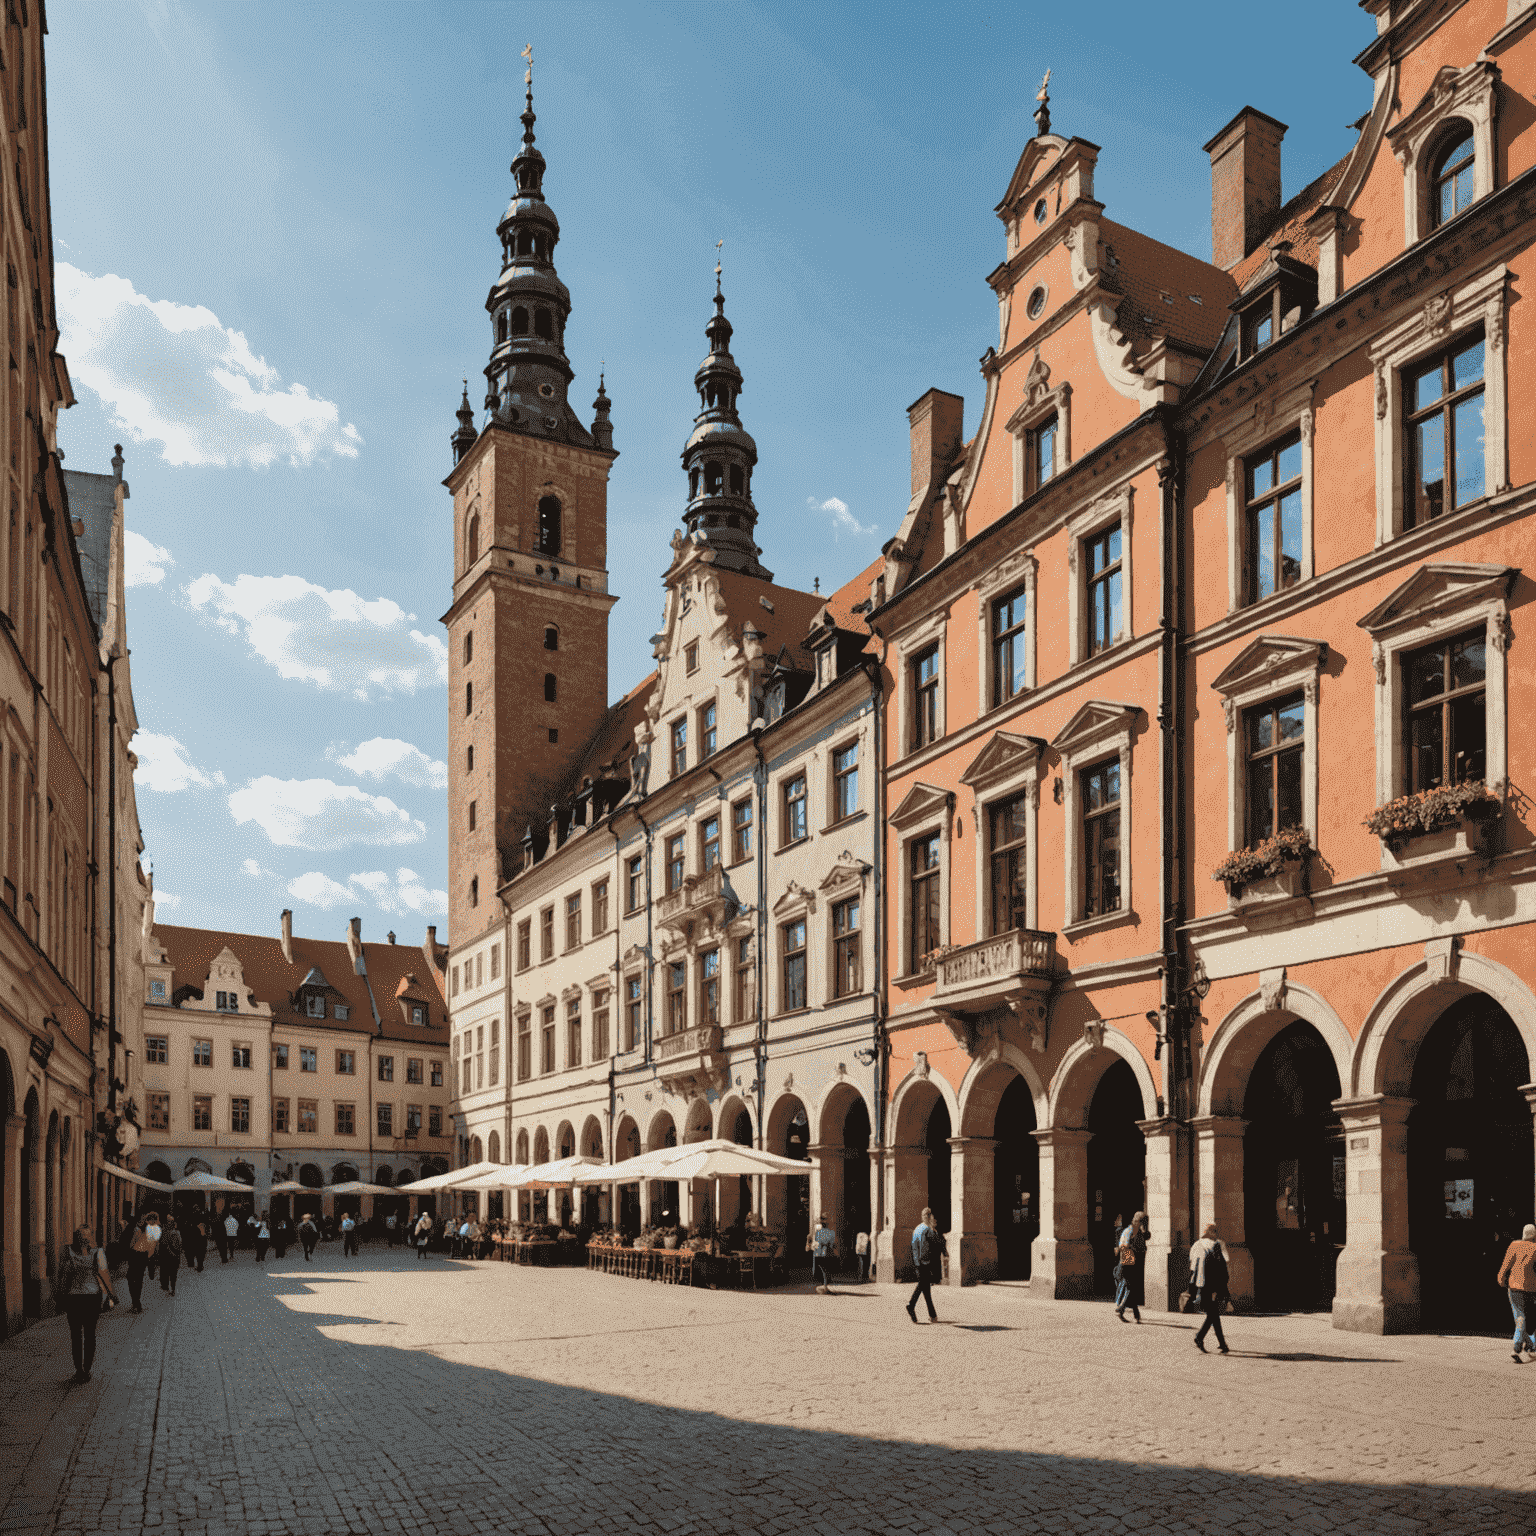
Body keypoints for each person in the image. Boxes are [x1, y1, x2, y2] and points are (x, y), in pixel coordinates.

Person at [56, 1226, 113, 1383]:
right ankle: (84, 1370)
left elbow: (61, 1275)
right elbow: (104, 1273)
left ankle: (82, 1370)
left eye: (85, 1235)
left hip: (78, 1298)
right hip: (86, 1298)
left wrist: (60, 1295)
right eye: (83, 1235)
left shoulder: (68, 1252)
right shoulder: (97, 1252)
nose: (85, 1238)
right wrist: (112, 1294)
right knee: (87, 1335)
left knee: (79, 1335)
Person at [1495, 1221, 1536, 1365]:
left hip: (1514, 1287)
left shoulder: (1514, 1245)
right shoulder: (1535, 1248)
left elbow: (1506, 1264)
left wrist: (1501, 1278)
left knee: (1520, 1316)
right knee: (1530, 1318)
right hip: (1532, 1288)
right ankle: (1529, 1345)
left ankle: (1518, 1347)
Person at [1189, 1223, 1230, 1354]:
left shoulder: (1196, 1244)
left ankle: (1222, 1344)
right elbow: (1225, 1261)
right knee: (1213, 1313)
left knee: (1213, 1313)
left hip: (1201, 1283)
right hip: (1213, 1284)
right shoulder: (1217, 1244)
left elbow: (1192, 1267)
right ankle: (1200, 1337)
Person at [906, 1207, 945, 1323]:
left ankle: (932, 1315)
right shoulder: (927, 1230)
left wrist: (916, 1261)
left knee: (925, 1288)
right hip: (924, 1262)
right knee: (923, 1286)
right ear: (929, 1216)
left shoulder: (917, 1228)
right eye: (930, 1216)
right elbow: (927, 1247)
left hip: (918, 1262)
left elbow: (913, 1246)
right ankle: (911, 1305)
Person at [1114, 1211, 1149, 1324]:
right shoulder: (1130, 1231)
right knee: (1130, 1287)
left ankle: (1136, 1315)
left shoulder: (1135, 1231)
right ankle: (1121, 1308)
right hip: (1129, 1262)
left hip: (1131, 1262)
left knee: (1132, 1288)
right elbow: (1125, 1246)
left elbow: (1147, 1236)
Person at [126, 1213, 160, 1313]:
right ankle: (136, 1303)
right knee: (137, 1279)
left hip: (137, 1255)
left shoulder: (140, 1230)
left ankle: (136, 1303)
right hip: (143, 1256)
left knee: (132, 1278)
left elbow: (132, 1244)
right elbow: (154, 1247)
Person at [810, 1214, 837, 1293]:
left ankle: (824, 1286)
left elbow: (817, 1241)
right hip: (827, 1252)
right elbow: (832, 1244)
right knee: (826, 1270)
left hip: (820, 1253)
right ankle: (825, 1286)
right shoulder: (831, 1232)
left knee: (822, 1269)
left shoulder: (818, 1232)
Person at [158, 1216, 183, 1297]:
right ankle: (173, 1289)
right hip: (175, 1257)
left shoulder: (164, 1233)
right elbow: (180, 1246)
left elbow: (161, 1246)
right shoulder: (177, 1233)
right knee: (173, 1274)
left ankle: (167, 1287)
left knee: (166, 1272)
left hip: (167, 1257)